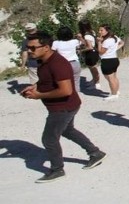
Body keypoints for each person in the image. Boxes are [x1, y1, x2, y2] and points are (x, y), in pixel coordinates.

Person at [20, 30, 106, 183]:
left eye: (33, 47)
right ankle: (95, 153)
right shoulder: (44, 61)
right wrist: (34, 86)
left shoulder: (57, 64)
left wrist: (39, 95)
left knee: (49, 139)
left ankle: (57, 169)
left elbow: (65, 90)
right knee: (68, 130)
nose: (29, 50)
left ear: (46, 47)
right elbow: (47, 80)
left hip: (62, 107)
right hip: (67, 105)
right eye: (28, 47)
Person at [97, 24, 124, 101]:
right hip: (114, 59)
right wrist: (115, 49)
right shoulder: (114, 37)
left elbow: (101, 52)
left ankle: (114, 94)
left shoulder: (107, 41)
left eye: (101, 30)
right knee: (114, 77)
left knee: (110, 78)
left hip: (107, 60)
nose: (100, 32)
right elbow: (122, 42)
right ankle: (116, 91)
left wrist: (99, 42)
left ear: (107, 31)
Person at [52, 27, 81, 92]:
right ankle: (76, 94)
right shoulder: (75, 41)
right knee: (76, 80)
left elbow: (52, 53)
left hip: (62, 64)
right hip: (74, 62)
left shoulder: (56, 43)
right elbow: (81, 46)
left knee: (63, 81)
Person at [78, 19, 100, 90]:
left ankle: (96, 83)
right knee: (92, 68)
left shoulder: (86, 36)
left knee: (93, 68)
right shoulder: (92, 32)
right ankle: (94, 80)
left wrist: (81, 50)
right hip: (94, 52)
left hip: (91, 53)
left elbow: (89, 47)